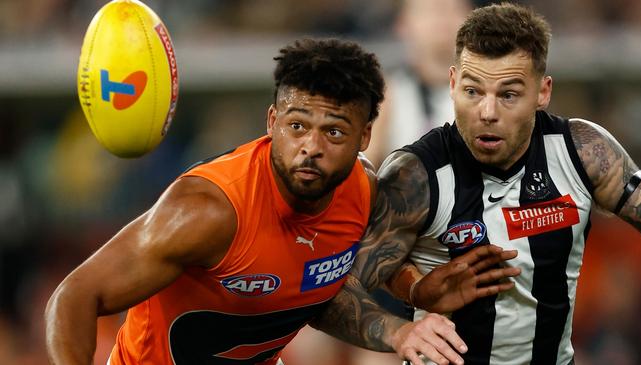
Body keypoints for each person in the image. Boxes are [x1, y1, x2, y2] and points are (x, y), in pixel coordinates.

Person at [44, 38, 517, 365]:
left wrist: (410, 302)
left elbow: (317, 291)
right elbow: (74, 297)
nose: (311, 146)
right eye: (297, 126)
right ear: (272, 121)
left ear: (364, 137)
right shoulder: (207, 211)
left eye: (333, 131)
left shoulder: (364, 194)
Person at [312, 3, 641, 365]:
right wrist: (401, 325)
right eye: (473, 92)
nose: (487, 112)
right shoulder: (415, 176)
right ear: (454, 83)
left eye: (508, 94)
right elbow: (327, 290)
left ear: (543, 92)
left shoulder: (582, 152)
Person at [364, 0, 470, 167]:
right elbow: (360, 173)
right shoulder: (385, 96)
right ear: (402, 25)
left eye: (454, 9)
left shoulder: (495, 91)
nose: (443, 20)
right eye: (431, 10)